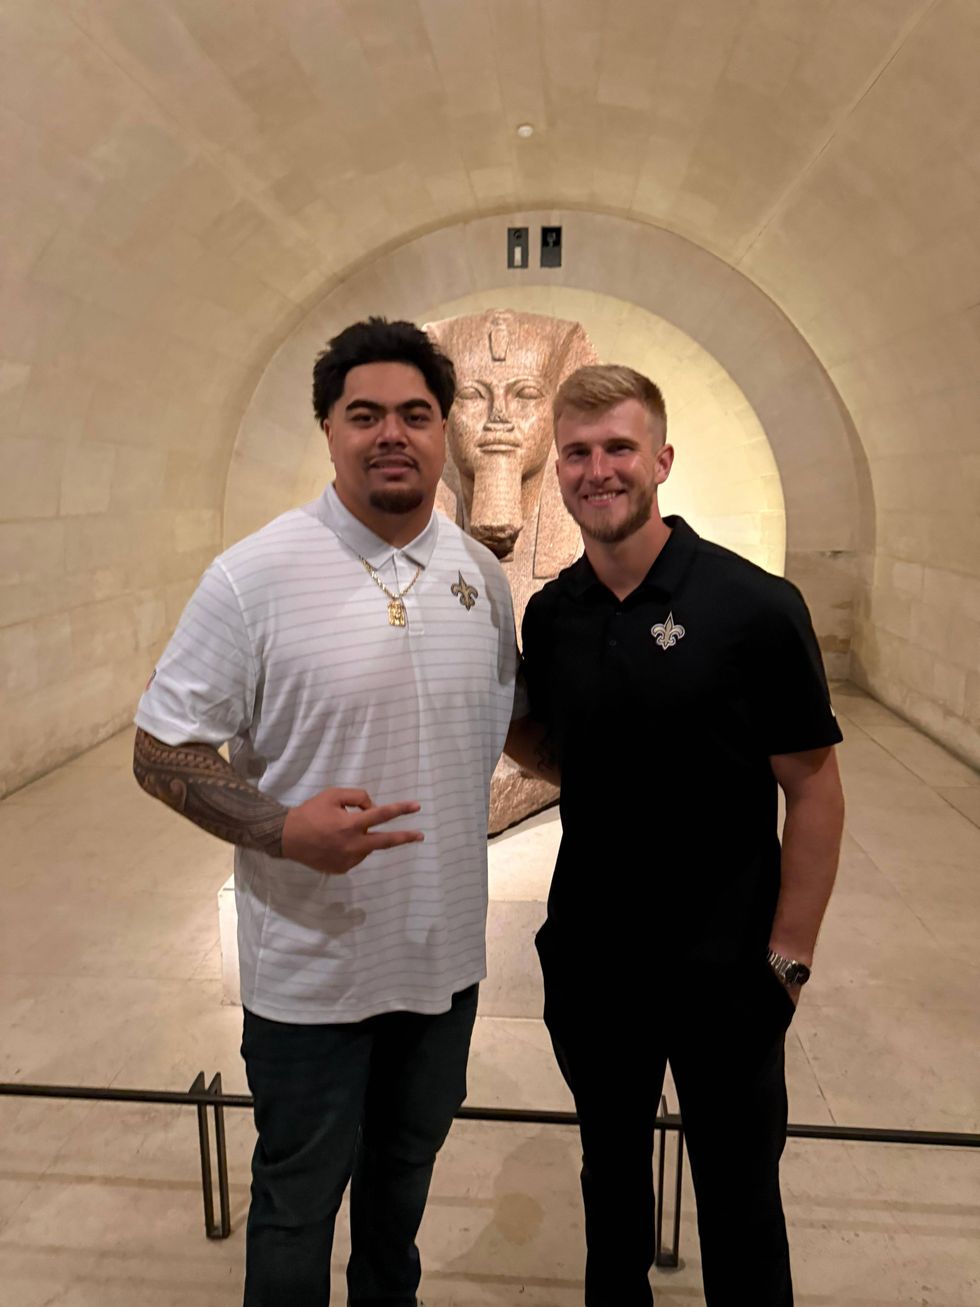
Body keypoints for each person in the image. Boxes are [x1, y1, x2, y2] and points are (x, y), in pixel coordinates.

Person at [133, 317, 521, 1307]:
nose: (390, 433)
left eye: (414, 414)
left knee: (398, 1199)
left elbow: (510, 728)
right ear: (328, 430)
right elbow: (159, 744)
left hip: (442, 968)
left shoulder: (480, 576)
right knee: (298, 1207)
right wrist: (279, 828)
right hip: (312, 977)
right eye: (364, 414)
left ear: (444, 434)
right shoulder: (252, 576)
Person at [506, 364, 845, 1307]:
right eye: (577, 452)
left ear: (660, 457)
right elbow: (559, 748)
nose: (597, 468)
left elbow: (814, 789)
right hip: (594, 961)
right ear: (557, 472)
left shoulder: (755, 607)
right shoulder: (554, 613)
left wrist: (791, 958)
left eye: (618, 447)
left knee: (739, 1203)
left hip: (727, 969)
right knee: (609, 1188)